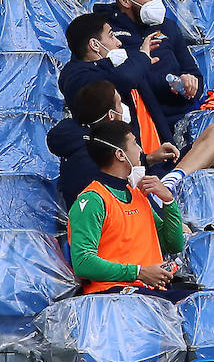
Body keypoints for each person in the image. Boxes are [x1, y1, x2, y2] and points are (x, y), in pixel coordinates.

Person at [47, 80, 214, 207]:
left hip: (153, 182)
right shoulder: (88, 160)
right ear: (111, 115)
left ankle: (172, 180)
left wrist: (149, 158)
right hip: (140, 205)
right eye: (120, 104)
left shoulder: (111, 139)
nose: (125, 109)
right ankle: (163, 194)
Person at [68, 118, 191, 301]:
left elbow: (173, 245)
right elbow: (83, 262)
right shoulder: (92, 200)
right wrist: (139, 272)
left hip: (149, 292)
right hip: (112, 296)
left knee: (198, 301)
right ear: (119, 154)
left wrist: (168, 201)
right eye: (134, 143)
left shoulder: (137, 194)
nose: (140, 149)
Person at [94, 0, 203, 127]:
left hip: (178, 117)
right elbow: (103, 79)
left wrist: (189, 84)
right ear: (125, 1)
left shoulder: (168, 27)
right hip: (133, 122)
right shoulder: (104, 31)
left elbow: (194, 73)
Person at [57, 13, 173, 161]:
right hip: (121, 164)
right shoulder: (75, 76)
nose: (118, 42)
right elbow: (122, 80)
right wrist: (142, 57)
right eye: (112, 36)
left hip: (156, 157)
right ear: (94, 45)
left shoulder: (121, 67)